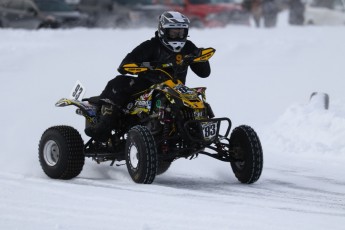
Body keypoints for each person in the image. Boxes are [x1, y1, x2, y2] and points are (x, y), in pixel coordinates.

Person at [85, 11, 211, 141]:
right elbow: (124, 65)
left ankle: (206, 132)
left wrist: (199, 58)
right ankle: (104, 125)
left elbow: (204, 73)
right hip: (146, 86)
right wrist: (146, 65)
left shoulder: (188, 46)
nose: (178, 35)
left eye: (181, 32)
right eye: (174, 32)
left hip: (176, 90)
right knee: (118, 82)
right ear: (163, 30)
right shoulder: (150, 46)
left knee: (200, 100)